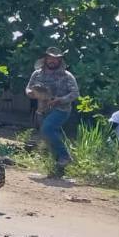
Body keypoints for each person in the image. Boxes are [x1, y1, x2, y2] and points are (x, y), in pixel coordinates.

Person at [26, 47, 79, 176]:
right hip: (42, 110)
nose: (52, 61)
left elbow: (75, 93)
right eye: (50, 58)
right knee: (47, 137)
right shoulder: (37, 74)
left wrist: (60, 100)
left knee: (47, 129)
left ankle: (65, 156)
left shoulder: (67, 76)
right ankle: (57, 169)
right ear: (46, 59)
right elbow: (28, 89)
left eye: (56, 59)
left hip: (61, 109)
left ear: (60, 61)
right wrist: (32, 94)